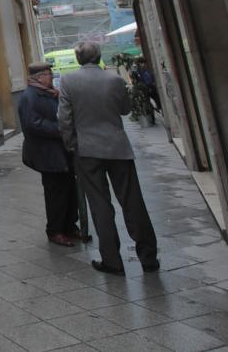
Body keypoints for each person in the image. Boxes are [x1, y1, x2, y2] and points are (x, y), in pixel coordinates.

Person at [57, 41, 160, 275]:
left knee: (100, 204)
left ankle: (112, 261)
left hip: (87, 150)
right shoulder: (114, 79)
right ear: (99, 56)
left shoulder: (69, 81)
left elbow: (64, 119)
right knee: (133, 202)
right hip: (118, 148)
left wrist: (73, 145)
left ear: (78, 59)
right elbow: (125, 109)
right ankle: (149, 257)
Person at [18, 62, 81, 247]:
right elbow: (33, 123)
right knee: (56, 193)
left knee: (70, 190)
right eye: (48, 74)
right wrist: (61, 129)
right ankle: (55, 230)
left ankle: (70, 225)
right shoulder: (29, 97)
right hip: (47, 153)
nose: (51, 76)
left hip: (61, 151)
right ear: (38, 77)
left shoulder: (50, 93)